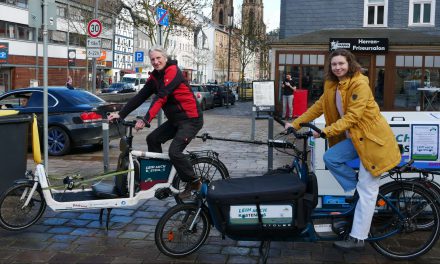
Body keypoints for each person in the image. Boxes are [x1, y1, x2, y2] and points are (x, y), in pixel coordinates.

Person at [285, 49, 401, 250]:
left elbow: (352, 118)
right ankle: (359, 192)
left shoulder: (359, 83)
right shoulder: (333, 85)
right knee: (331, 158)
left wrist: (324, 132)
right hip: (356, 140)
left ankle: (357, 238)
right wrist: (295, 124)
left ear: (350, 64)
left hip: (373, 143)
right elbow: (318, 106)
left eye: (341, 63)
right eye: (334, 64)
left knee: (367, 190)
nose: (338, 67)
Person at [108, 46, 203, 199]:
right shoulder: (155, 77)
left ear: (165, 58)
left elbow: (162, 96)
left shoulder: (173, 71)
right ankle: (162, 180)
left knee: (175, 151)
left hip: (191, 119)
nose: (156, 61)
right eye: (153, 59)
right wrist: (120, 114)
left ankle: (194, 182)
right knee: (152, 139)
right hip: (174, 121)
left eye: (158, 58)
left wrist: (146, 119)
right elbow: (140, 97)